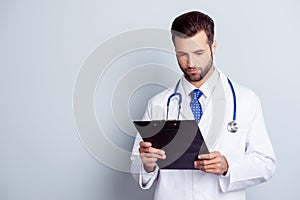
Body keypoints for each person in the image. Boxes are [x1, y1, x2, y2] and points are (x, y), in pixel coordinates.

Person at [130, 11, 276, 200]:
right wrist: (147, 164)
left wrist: (227, 166)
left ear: (213, 47)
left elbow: (266, 163)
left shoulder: (245, 99)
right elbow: (137, 164)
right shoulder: (158, 103)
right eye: (182, 54)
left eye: (198, 53)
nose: (191, 63)